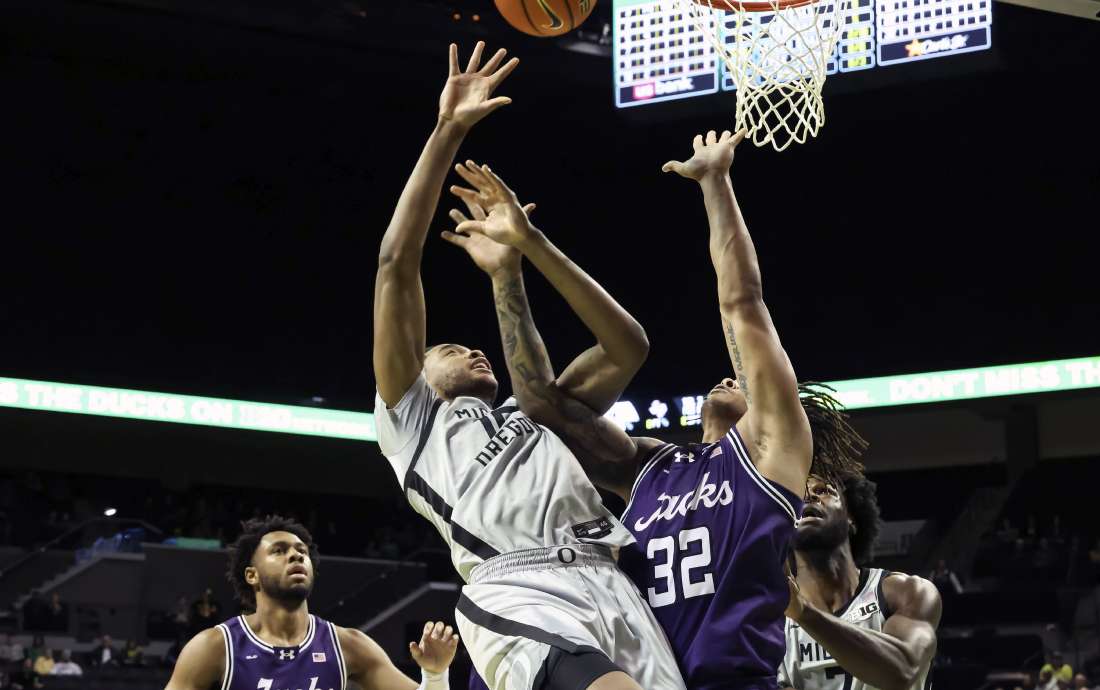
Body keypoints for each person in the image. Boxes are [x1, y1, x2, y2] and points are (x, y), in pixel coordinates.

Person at [442, 130, 855, 690]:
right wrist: (522, 254)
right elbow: (543, 406)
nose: (726, 376)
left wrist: (716, 183)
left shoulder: (771, 456)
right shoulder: (652, 468)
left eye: (745, 380)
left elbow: (742, 304)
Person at [370, 41, 684, 690]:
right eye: (450, 349)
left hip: (614, 579)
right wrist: (447, 131)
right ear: (417, 378)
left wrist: (526, 252)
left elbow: (628, 347)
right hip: (517, 584)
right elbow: (395, 266)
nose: (472, 349)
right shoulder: (413, 428)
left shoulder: (533, 411)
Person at [163, 515, 457, 690]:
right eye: (279, 551)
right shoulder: (214, 646)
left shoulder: (348, 645)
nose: (296, 556)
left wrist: (434, 674)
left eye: (301, 551)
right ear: (252, 575)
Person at [777, 471, 941, 690]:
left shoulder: (906, 592)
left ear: (850, 516)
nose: (809, 497)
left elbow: (902, 671)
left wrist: (804, 612)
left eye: (822, 490)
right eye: (797, 495)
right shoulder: (773, 621)